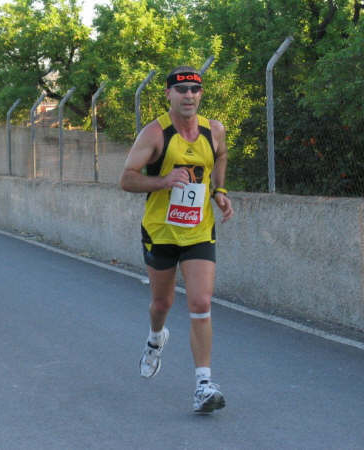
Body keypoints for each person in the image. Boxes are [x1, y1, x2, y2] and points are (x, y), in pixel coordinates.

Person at [120, 66, 234, 413]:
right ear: (168, 94)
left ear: (201, 95)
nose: (188, 96)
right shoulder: (155, 134)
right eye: (181, 90)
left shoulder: (214, 130)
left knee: (200, 302)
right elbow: (126, 179)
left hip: (198, 229)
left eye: (194, 91)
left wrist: (219, 190)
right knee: (162, 304)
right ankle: (155, 339)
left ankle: (203, 384)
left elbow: (221, 155)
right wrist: (164, 181)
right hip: (161, 232)